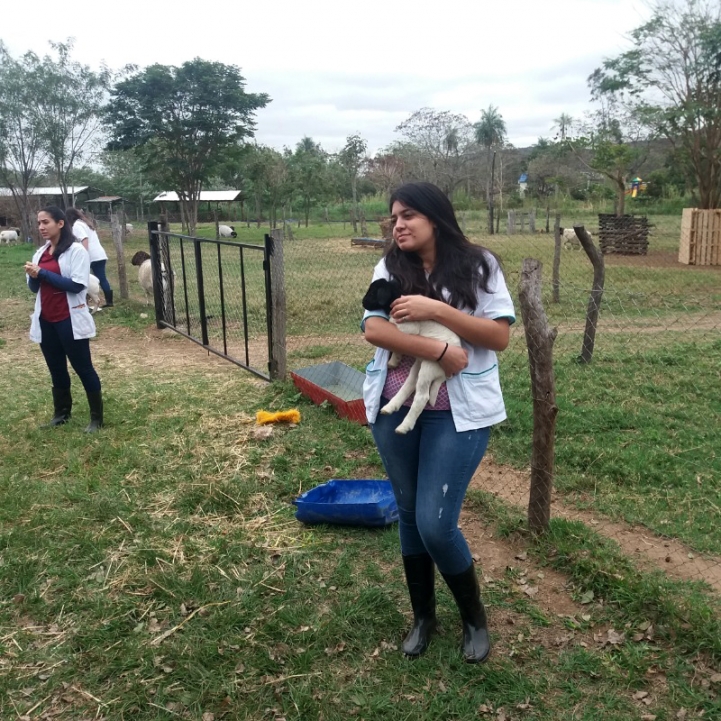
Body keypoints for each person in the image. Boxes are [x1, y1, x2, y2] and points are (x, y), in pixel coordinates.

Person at [361, 182, 515, 663]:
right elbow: (374, 327)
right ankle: (424, 617)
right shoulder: (390, 266)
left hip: (458, 414)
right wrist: (438, 349)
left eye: (408, 215)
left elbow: (498, 335)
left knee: (434, 522)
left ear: (435, 217)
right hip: (394, 409)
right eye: (394, 217)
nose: (398, 224)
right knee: (408, 515)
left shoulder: (478, 264)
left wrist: (437, 311)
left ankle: (474, 619)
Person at [24, 206, 104, 433]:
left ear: (60, 223)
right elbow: (34, 288)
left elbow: (77, 285)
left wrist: (43, 273)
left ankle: (96, 418)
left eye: (46, 222)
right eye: (39, 223)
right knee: (56, 369)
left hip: (69, 318)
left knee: (83, 368)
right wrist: (34, 276)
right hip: (46, 319)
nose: (41, 227)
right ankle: (61, 413)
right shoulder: (40, 253)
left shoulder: (77, 251)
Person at [65, 207, 113, 308]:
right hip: (99, 254)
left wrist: (84, 255)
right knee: (101, 278)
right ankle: (108, 301)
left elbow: (84, 239)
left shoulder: (77, 225)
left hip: (92, 256)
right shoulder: (85, 223)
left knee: (85, 278)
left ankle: (89, 301)